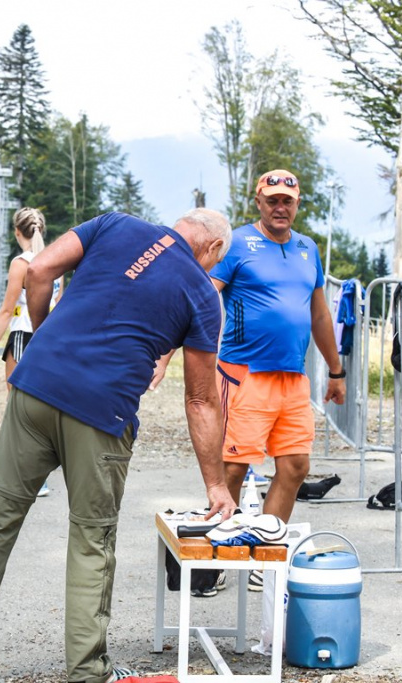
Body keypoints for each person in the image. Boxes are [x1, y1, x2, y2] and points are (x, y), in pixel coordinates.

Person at [0, 208, 237, 683]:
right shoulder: (201, 293)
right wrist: (216, 485)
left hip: (34, 388)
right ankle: (88, 671)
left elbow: (38, 271)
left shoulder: (117, 224)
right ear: (214, 248)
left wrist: (42, 334)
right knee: (91, 538)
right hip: (101, 411)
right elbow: (200, 399)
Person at [154, 170, 346, 591]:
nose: (280, 207)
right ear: (259, 202)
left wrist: (336, 370)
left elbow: (319, 315)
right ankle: (212, 563)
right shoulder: (238, 242)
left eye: (287, 201)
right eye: (272, 200)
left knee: (295, 466)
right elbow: (199, 296)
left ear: (297, 205)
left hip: (293, 379)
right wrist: (164, 353)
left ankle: (263, 560)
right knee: (233, 469)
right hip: (243, 375)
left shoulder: (307, 249)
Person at [0, 207, 56, 496]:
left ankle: (30, 479)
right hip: (50, 340)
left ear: (17, 232)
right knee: (41, 409)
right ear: (41, 230)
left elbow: (7, 311)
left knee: (18, 410)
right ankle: (40, 476)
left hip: (23, 336)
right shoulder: (57, 259)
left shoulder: (21, 263)